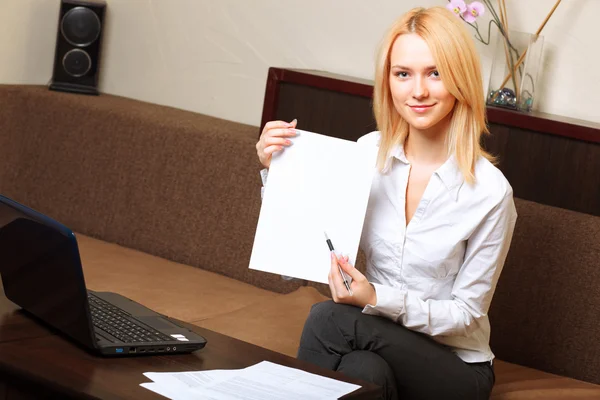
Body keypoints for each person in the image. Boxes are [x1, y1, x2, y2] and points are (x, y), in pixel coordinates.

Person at [256, 6, 517, 400]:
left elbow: (466, 316)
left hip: (456, 367)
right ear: (388, 81)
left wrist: (377, 299)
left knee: (327, 317)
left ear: (461, 78)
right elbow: (297, 263)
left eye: (435, 72)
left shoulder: (490, 192)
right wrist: (279, 174)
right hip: (376, 343)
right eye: (403, 74)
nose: (418, 91)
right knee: (363, 369)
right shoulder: (368, 155)